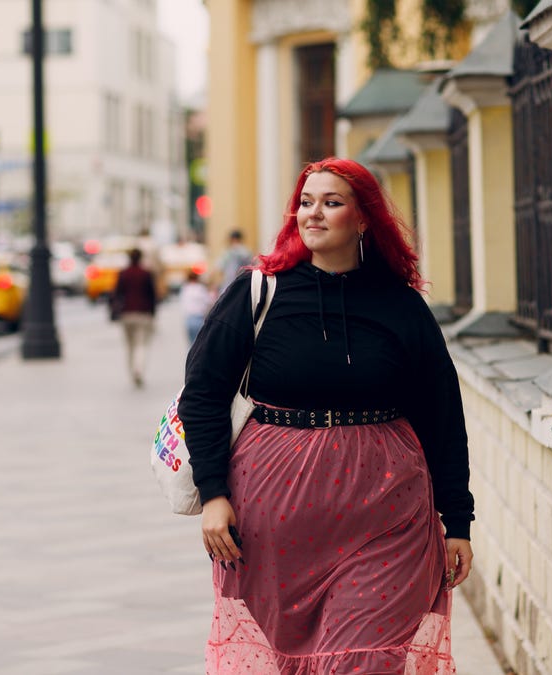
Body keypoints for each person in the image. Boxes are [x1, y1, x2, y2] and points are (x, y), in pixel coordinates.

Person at [178, 157, 475, 674]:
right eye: (305, 202)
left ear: (364, 219)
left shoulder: (401, 307)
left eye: (331, 203)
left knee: (366, 662)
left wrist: (458, 520)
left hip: (388, 512)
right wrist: (213, 495)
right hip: (274, 519)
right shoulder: (256, 293)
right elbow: (202, 394)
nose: (312, 214)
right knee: (289, 661)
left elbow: (443, 415)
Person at [110, 248, 158, 387]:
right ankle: (139, 370)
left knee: (130, 346)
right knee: (141, 345)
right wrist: (153, 312)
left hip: (126, 313)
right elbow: (152, 294)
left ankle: (132, 372)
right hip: (143, 313)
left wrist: (115, 311)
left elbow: (116, 294)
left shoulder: (123, 273)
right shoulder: (146, 273)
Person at [178, 267, 214, 344]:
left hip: (189, 320)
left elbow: (183, 304)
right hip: (199, 319)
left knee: (191, 345)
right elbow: (208, 302)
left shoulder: (185, 289)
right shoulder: (201, 288)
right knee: (200, 345)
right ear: (197, 278)